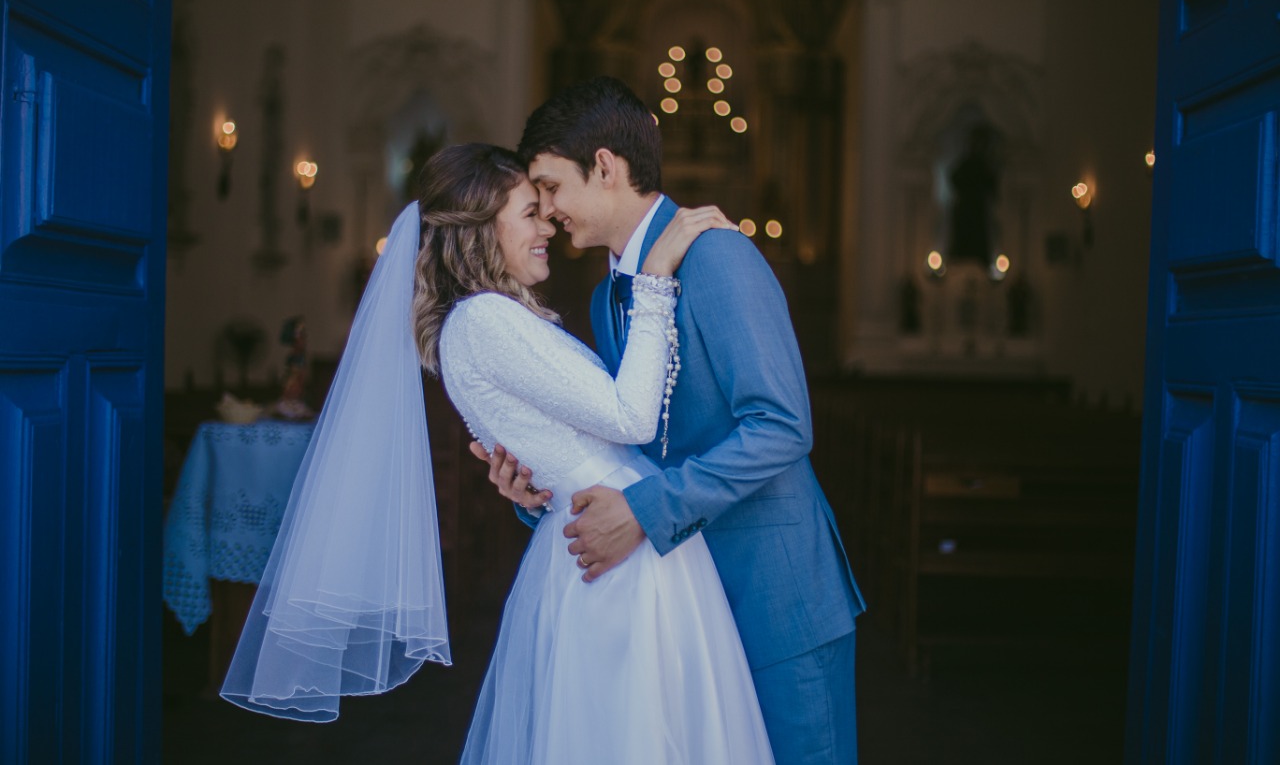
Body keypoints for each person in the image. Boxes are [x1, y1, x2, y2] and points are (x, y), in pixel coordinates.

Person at [221, 142, 774, 765]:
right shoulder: (484, 320)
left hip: (606, 537)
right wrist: (656, 277)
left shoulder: (487, 320)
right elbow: (632, 416)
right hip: (615, 555)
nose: (548, 228)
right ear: (482, 227)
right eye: (530, 213)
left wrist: (530, 492)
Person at [477, 76, 867, 764]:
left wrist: (645, 509)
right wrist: (542, 497)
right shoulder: (606, 300)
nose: (544, 210)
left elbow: (782, 424)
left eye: (550, 186)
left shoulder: (717, 255)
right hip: (684, 609)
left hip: (776, 599)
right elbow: (626, 448)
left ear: (605, 166)